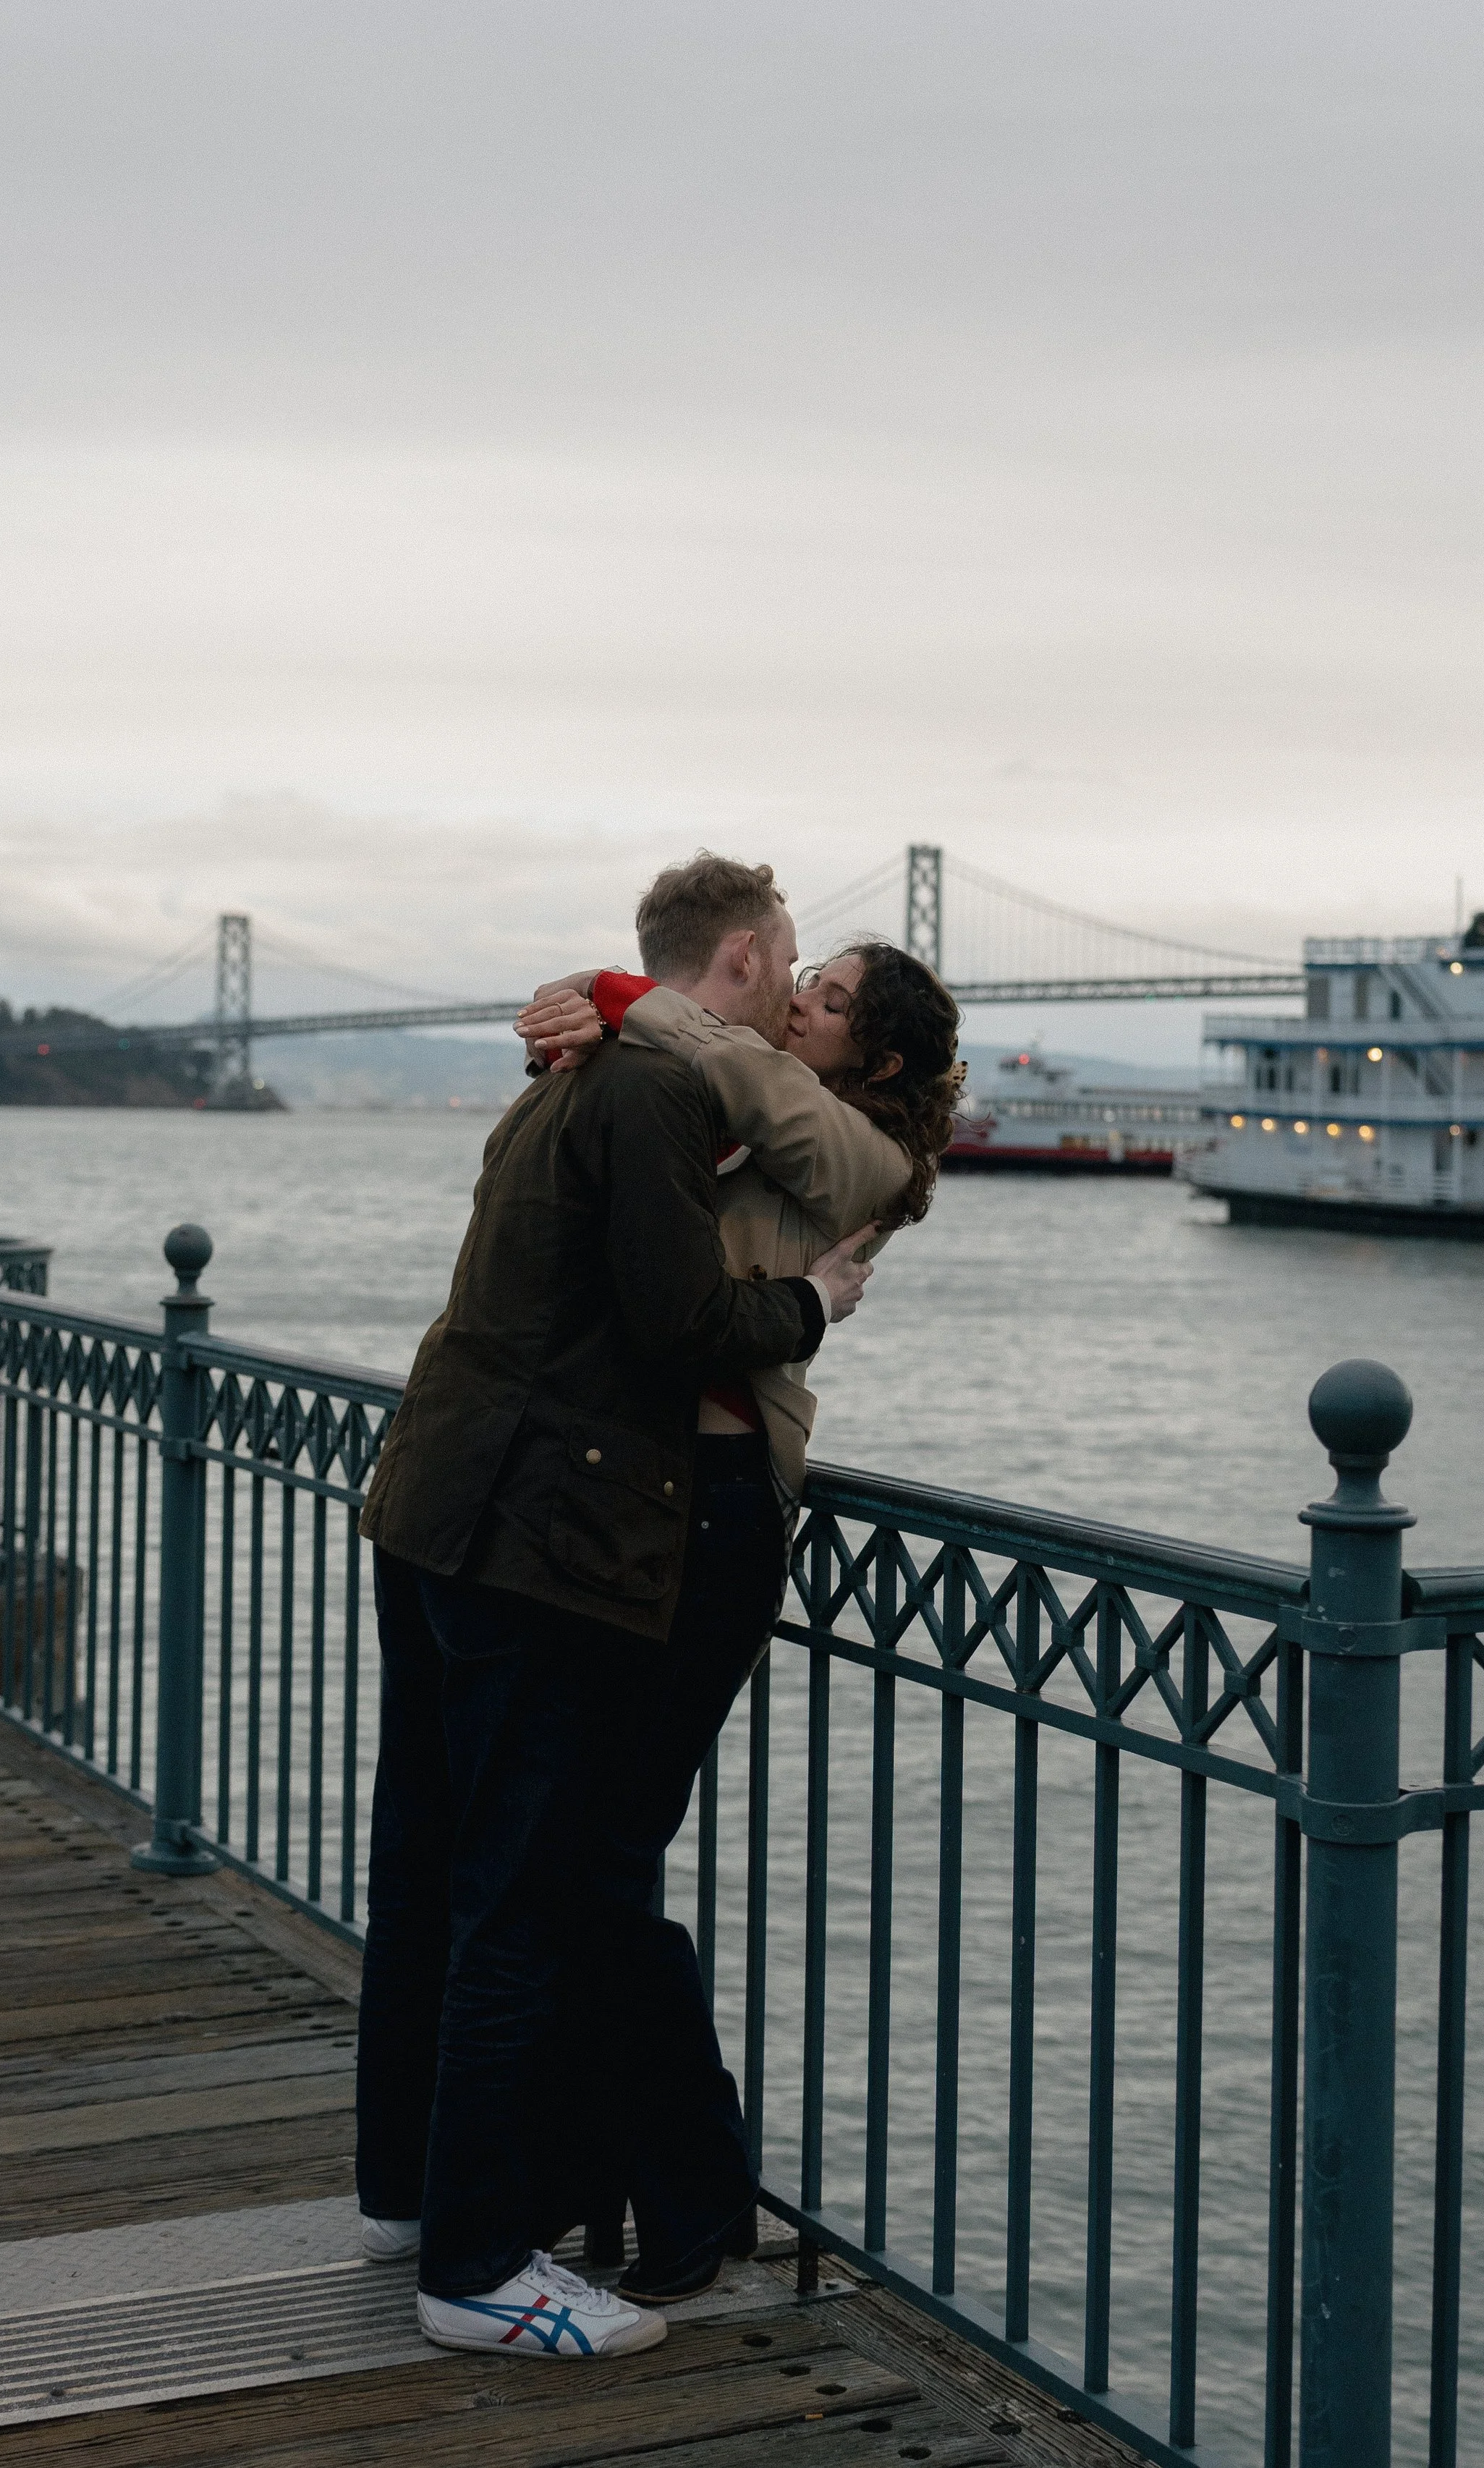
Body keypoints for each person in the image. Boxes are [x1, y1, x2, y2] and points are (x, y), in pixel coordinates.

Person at [353, 853, 879, 2362]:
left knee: (432, 1866)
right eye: (793, 973)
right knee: (519, 1895)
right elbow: (676, 1323)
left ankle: (407, 2191)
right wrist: (808, 1311)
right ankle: (472, 2262)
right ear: (743, 959)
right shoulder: (654, 1086)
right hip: (538, 1532)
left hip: (434, 1499)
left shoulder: (564, 1074)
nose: (793, 1000)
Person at [512, 936, 964, 2298]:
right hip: (641, 1498)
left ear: (872, 1059)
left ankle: (696, 2193)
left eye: (822, 1000)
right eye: (797, 983)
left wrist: (622, 998)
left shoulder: (844, 1149)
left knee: (596, 1863)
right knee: (585, 1861)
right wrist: (586, 1040)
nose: (790, 1005)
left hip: (714, 1517)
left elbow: (720, 1063)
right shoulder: (757, 1099)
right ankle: (605, 2176)